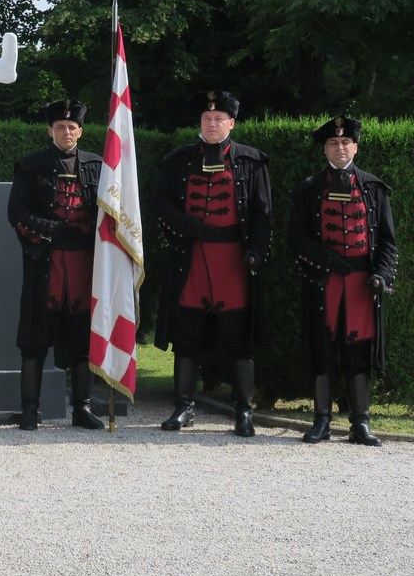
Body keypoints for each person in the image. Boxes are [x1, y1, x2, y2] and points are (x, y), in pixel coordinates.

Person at [155, 90, 271, 436]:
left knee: (239, 338)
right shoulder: (178, 161)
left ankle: (244, 411)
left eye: (219, 118)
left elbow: (263, 214)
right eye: (207, 119)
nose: (212, 123)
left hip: (233, 260)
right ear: (200, 123)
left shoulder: (251, 162)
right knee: (187, 335)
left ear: (231, 123)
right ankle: (184, 407)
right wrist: (191, 227)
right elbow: (162, 203)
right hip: (191, 259)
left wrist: (258, 252)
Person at [289, 116, 397, 446]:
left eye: (345, 142)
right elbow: (297, 237)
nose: (340, 148)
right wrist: (329, 262)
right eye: (333, 143)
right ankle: (321, 420)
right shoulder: (308, 189)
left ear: (356, 147)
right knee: (323, 349)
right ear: (325, 148)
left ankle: (360, 423)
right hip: (325, 281)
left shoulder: (374, 189)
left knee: (357, 354)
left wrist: (381, 275)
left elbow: (388, 243)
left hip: (363, 286)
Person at [7, 99, 104, 430]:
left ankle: (82, 408)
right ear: (50, 130)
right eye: (60, 127)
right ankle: (30, 409)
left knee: (82, 339)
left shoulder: (98, 166)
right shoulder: (30, 166)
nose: (66, 132)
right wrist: (53, 230)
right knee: (34, 338)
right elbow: (17, 214)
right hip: (44, 262)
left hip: (84, 265)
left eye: (72, 127)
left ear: (80, 131)